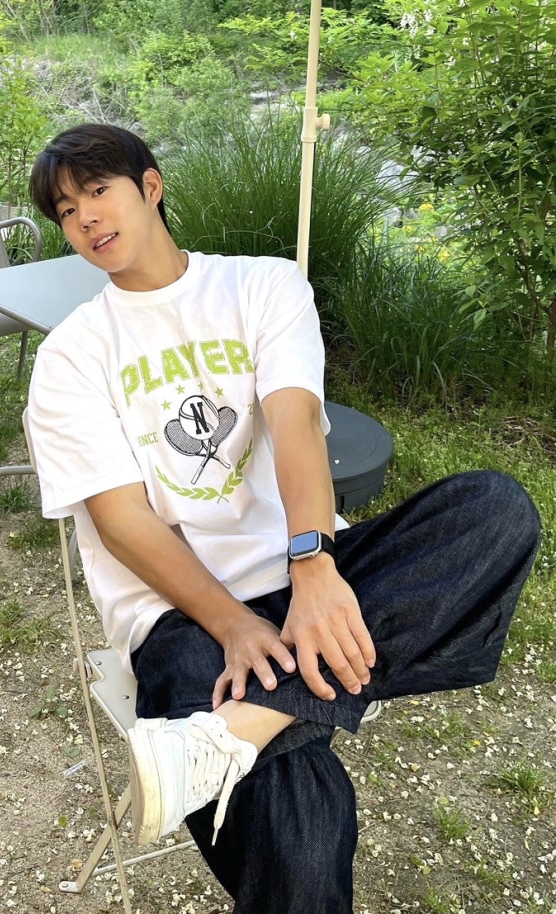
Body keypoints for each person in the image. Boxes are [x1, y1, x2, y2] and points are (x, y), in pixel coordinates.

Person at [26, 123, 540, 913]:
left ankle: (228, 735)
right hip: (180, 618)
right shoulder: (71, 355)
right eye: (66, 210)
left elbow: (295, 422)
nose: (85, 217)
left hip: (297, 571)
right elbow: (123, 521)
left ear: (150, 187)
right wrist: (234, 624)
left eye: (97, 190)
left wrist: (312, 563)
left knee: (494, 511)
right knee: (302, 834)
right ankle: (256, 723)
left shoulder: (261, 285)